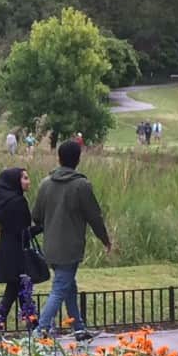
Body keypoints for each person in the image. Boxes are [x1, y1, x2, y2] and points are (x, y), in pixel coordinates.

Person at [32, 138, 115, 340]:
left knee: (68, 286)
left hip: (50, 246)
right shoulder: (81, 185)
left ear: (59, 158)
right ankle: (40, 330)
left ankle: (78, 328)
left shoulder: (45, 184)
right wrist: (105, 239)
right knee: (60, 287)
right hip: (71, 246)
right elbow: (94, 216)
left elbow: (36, 216)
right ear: (78, 159)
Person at [0, 167, 40, 331]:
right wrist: (41, 227)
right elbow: (23, 233)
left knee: (16, 290)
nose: (28, 181)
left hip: (7, 249)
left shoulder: (3, 201)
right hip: (17, 251)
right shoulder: (18, 202)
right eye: (25, 178)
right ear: (15, 182)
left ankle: (32, 326)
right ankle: (33, 327)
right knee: (17, 289)